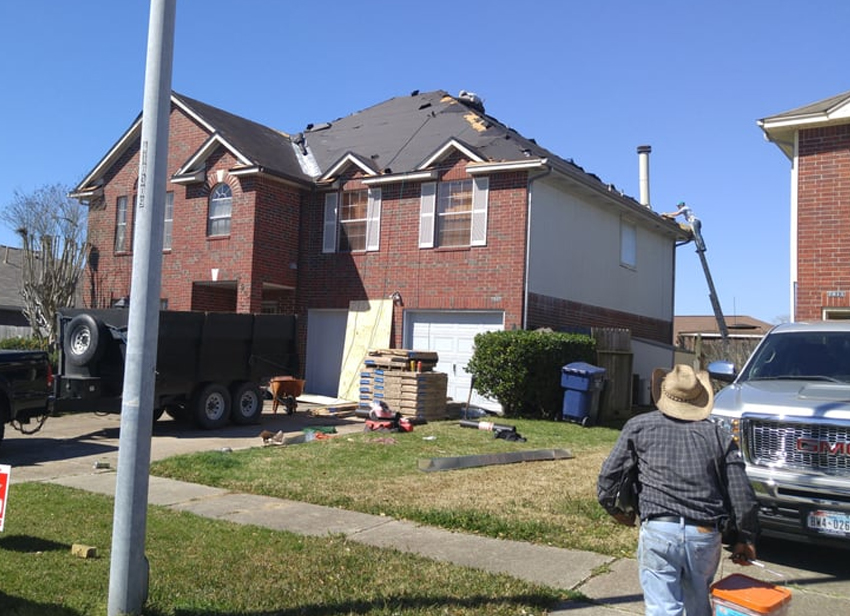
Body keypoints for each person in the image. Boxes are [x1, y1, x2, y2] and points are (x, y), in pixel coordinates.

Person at [597, 364, 759, 616]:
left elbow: (609, 477)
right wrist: (745, 538)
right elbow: (742, 494)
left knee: (663, 609)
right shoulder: (719, 435)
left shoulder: (638, 426)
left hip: (659, 530)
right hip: (704, 533)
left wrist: (617, 510)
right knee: (698, 608)